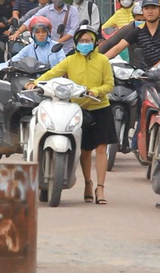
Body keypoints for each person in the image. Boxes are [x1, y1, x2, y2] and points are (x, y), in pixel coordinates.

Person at [24, 25, 116, 204]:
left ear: (95, 42)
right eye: (81, 41)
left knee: (101, 149)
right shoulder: (70, 60)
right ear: (75, 43)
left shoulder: (103, 60)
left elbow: (109, 84)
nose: (85, 43)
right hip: (78, 109)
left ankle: (101, 188)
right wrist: (35, 83)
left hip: (101, 107)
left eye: (88, 40)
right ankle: (88, 184)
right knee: (85, 150)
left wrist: (95, 91)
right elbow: (52, 73)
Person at [104, 0, 160, 70]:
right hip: (144, 74)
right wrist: (101, 61)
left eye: (153, 8)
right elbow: (118, 47)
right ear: (142, 11)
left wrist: (155, 68)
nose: (150, 11)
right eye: (146, 8)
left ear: (159, 10)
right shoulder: (137, 30)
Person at [10, 0, 79, 55]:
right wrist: (17, 33)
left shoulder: (73, 10)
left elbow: (73, 30)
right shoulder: (47, 10)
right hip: (50, 51)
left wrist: (58, 42)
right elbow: (31, 20)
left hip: (67, 50)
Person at [0, 16, 65, 68]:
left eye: (44, 32)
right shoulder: (29, 48)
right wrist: (2, 66)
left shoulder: (56, 46)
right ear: (33, 34)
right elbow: (16, 59)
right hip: (34, 81)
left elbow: (63, 63)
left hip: (53, 80)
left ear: (48, 33)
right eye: (37, 32)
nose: (41, 35)